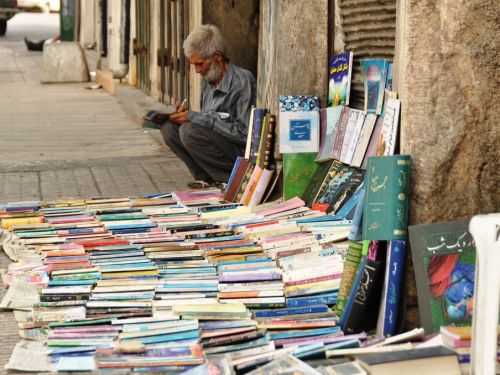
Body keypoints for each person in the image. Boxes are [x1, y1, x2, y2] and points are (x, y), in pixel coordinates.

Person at [160, 24, 256, 189]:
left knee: (189, 132)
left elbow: (246, 134)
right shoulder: (209, 81)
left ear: (217, 57)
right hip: (218, 144)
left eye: (200, 64)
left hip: (238, 152)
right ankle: (205, 177)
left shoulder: (242, 81)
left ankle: (231, 179)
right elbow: (209, 119)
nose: (197, 71)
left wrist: (196, 118)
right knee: (169, 129)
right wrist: (186, 117)